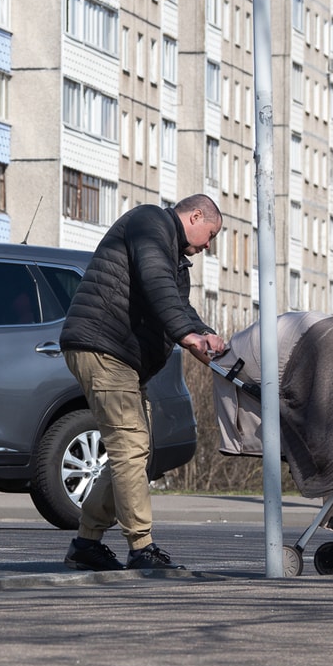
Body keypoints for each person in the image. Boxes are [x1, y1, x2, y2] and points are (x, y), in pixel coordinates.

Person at [59, 194, 226, 571]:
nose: (208, 246)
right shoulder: (150, 222)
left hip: (122, 358)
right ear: (195, 216)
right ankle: (141, 547)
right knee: (131, 446)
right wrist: (186, 335)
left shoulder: (173, 256)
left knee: (135, 452)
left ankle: (86, 543)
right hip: (104, 347)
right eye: (210, 234)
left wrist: (204, 334)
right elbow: (155, 281)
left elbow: (177, 305)